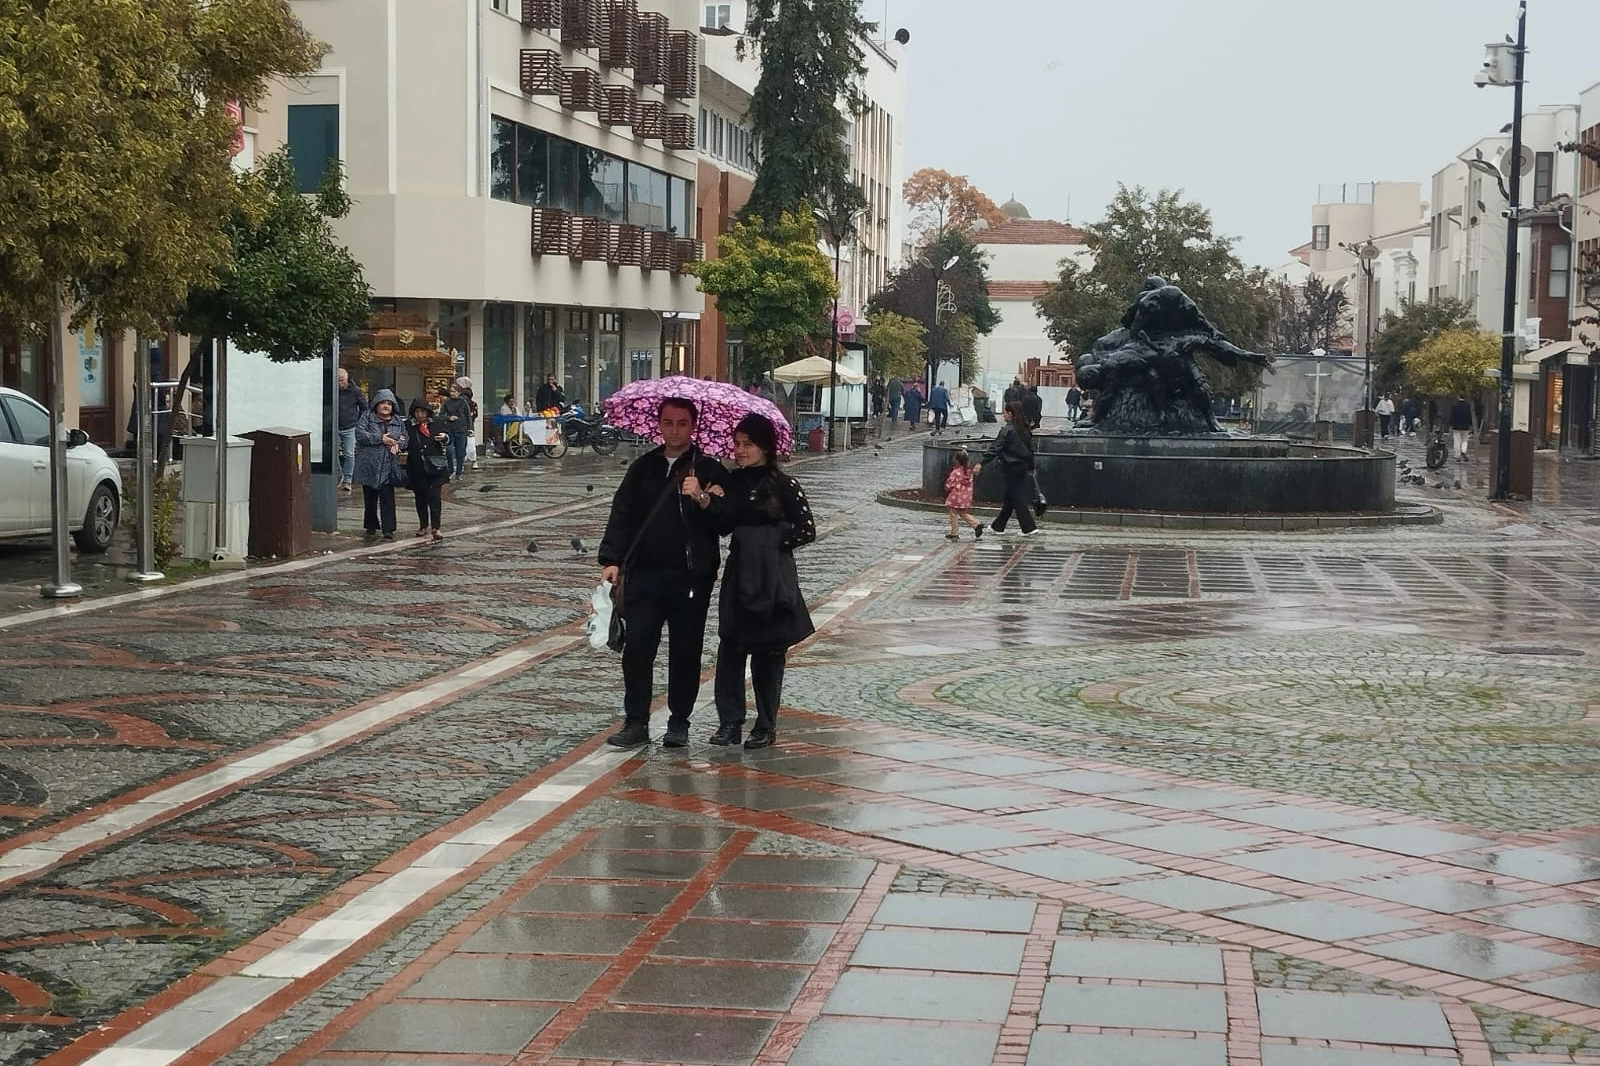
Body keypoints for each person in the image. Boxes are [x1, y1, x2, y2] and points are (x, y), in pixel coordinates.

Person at [597, 399, 728, 749]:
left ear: (693, 426)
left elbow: (727, 520)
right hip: (645, 576)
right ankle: (635, 721)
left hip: (690, 579)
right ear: (659, 425)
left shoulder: (709, 469)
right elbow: (622, 515)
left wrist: (703, 497)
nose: (674, 430)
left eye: (682, 423)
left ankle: (678, 721)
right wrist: (612, 559)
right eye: (668, 422)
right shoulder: (643, 468)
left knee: (685, 651)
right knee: (637, 650)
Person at [706, 413, 816, 749]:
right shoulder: (731, 482)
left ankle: (766, 725)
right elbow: (721, 526)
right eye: (737, 443)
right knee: (731, 647)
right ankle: (730, 722)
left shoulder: (784, 485)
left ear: (765, 447)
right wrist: (709, 500)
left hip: (772, 578)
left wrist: (771, 542)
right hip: (740, 574)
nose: (740, 450)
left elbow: (807, 529)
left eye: (748, 444)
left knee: (769, 653)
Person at [972, 401, 1038, 537]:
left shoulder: (1007, 430)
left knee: (1016, 497)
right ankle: (998, 526)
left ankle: (1029, 528)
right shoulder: (1024, 430)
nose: (1003, 416)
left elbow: (995, 447)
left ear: (1011, 414)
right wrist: (1031, 467)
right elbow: (1030, 451)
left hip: (1010, 466)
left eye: (1005, 413)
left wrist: (981, 462)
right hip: (1022, 466)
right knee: (1009, 498)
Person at [354, 388, 407, 540]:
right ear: (376, 404)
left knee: (388, 498)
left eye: (389, 403)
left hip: (389, 465)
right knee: (370, 498)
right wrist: (380, 438)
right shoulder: (367, 417)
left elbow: (405, 438)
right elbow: (360, 434)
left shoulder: (397, 421)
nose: (385, 406)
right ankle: (371, 525)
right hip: (369, 464)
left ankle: (388, 529)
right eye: (382, 403)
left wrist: (399, 445)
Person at [405, 398, 451, 540]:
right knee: (420, 497)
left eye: (423, 412)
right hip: (416, 466)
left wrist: (444, 437)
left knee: (435, 497)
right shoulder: (408, 425)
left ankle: (436, 527)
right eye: (417, 412)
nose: (420, 415)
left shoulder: (436, 422)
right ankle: (423, 525)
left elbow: (447, 438)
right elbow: (404, 443)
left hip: (435, 466)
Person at [336, 368, 366, 493]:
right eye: (337, 380)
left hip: (350, 426)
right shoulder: (332, 390)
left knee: (349, 454)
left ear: (347, 379)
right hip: (334, 426)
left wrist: (359, 423)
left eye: (342, 380)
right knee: (332, 453)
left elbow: (364, 407)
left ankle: (348, 480)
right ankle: (339, 474)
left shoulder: (355, 391)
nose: (340, 383)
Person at [943, 448, 984, 541]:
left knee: (953, 513)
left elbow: (950, 483)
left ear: (957, 461)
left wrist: (946, 488)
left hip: (955, 496)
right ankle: (976, 524)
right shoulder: (969, 473)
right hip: (965, 497)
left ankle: (954, 533)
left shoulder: (955, 472)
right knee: (962, 513)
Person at [438, 383, 472, 480]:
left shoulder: (464, 402)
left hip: (461, 430)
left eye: (454, 391)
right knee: (449, 451)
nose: (452, 393)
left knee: (460, 452)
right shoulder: (447, 402)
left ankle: (459, 472)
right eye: (451, 391)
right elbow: (441, 414)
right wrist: (449, 418)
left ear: (459, 392)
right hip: (449, 430)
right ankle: (451, 470)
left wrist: (470, 429)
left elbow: (468, 416)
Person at [1450, 393, 1474, 463]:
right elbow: (1469, 416)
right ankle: (1463, 451)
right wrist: (1470, 425)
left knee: (1457, 441)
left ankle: (1457, 456)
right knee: (1465, 440)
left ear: (1458, 396)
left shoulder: (1454, 406)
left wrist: (1451, 425)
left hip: (1456, 426)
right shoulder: (1467, 406)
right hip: (1465, 426)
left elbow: (1452, 416)